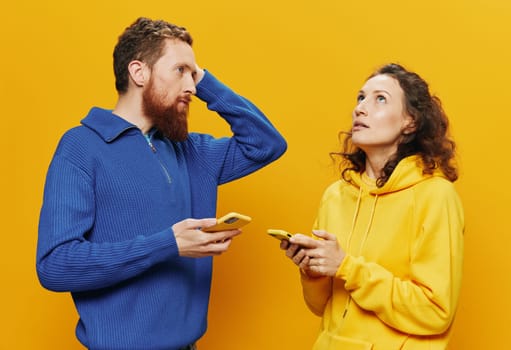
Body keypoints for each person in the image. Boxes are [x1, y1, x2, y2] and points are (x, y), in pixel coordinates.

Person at [36, 17, 287, 350]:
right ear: (139, 72)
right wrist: (168, 244)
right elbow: (55, 265)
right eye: (180, 70)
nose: (193, 87)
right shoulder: (82, 147)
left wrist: (205, 80)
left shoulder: (192, 150)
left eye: (194, 74)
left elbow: (267, 144)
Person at [280, 63, 464, 350]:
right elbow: (321, 307)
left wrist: (346, 267)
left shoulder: (436, 196)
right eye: (361, 98)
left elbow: (435, 311)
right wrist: (313, 270)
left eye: (380, 99)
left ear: (410, 122)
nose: (361, 109)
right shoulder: (335, 196)